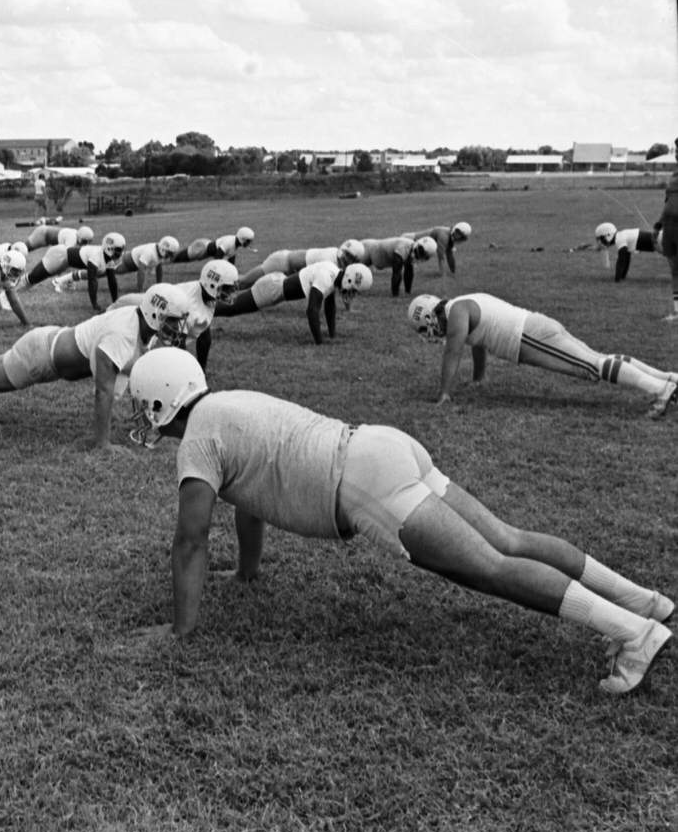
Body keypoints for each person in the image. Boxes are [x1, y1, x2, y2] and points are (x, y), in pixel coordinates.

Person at [125, 347, 674, 694]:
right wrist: (246, 573)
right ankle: (643, 600)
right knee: (508, 540)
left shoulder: (197, 441)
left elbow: (190, 542)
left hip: (364, 483)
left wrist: (182, 630)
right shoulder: (226, 403)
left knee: (491, 568)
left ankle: (636, 631)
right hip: (381, 444)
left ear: (158, 403)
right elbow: (250, 497)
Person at [0, 283, 191, 449]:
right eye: (172, 320)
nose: (177, 327)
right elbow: (103, 391)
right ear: (155, 313)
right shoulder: (123, 334)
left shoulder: (139, 322)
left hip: (49, 346)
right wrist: (103, 443)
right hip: (41, 358)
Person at [407, 292, 678, 419]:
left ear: (431, 314)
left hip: (527, 336)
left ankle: (660, 390)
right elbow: (477, 345)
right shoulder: (461, 304)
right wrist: (479, 378)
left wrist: (444, 393)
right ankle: (669, 378)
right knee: (597, 358)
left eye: (426, 326)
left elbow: (452, 352)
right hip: (534, 328)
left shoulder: (457, 313)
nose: (431, 332)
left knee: (592, 367)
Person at [112, 260, 239, 367]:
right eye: (227, 288)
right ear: (212, 283)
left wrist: (201, 370)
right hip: (128, 306)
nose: (230, 292)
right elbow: (177, 346)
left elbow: (205, 336)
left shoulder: (206, 295)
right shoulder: (189, 304)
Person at [217, 262, 374, 345]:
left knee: (233, 306)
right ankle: (206, 307)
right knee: (233, 308)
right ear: (348, 279)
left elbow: (330, 307)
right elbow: (312, 311)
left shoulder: (334, 272)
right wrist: (319, 342)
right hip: (271, 290)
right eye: (353, 289)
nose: (352, 293)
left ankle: (210, 304)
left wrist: (332, 335)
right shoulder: (327, 278)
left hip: (276, 286)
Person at [24, 232, 125, 311]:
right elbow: (92, 281)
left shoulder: (108, 258)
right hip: (59, 256)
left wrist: (115, 302)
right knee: (33, 278)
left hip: (66, 261)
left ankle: (17, 289)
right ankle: (14, 288)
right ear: (109, 247)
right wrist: (95, 305)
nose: (120, 252)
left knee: (34, 279)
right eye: (118, 249)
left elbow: (112, 281)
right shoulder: (96, 256)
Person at [238, 239, 365, 290]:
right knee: (246, 281)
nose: (346, 258)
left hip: (288, 267)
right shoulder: (329, 260)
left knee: (252, 285)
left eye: (350, 257)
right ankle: (223, 282)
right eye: (346, 254)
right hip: (281, 262)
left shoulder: (336, 262)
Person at [361, 235, 433, 297]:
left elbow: (409, 272)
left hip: (376, 253)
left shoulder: (411, 248)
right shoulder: (402, 248)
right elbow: (396, 272)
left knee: (409, 269)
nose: (417, 255)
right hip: (369, 248)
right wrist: (395, 294)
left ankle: (406, 292)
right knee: (357, 268)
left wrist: (408, 292)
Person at [105, 236, 180, 292]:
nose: (169, 256)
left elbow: (159, 266)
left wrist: (159, 285)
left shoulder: (159, 252)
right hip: (127, 262)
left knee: (106, 270)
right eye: (169, 253)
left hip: (131, 262)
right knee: (103, 271)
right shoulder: (150, 252)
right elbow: (141, 271)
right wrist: (140, 290)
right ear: (163, 249)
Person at [593, 223, 660, 283]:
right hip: (658, 242)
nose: (601, 242)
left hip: (659, 242)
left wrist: (617, 279)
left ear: (608, 235)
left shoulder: (619, 239)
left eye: (601, 239)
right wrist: (622, 276)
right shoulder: (622, 235)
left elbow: (621, 260)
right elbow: (626, 259)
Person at [403, 223, 470, 278]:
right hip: (407, 240)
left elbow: (450, 255)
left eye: (460, 235)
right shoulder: (444, 236)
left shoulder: (450, 236)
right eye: (458, 233)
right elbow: (441, 257)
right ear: (454, 230)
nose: (458, 236)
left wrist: (453, 272)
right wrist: (443, 275)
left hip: (411, 241)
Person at [167, 228, 255, 269]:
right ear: (242, 238)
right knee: (179, 258)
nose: (248, 243)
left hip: (205, 250)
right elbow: (217, 259)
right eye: (248, 241)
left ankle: (167, 260)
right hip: (201, 248)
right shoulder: (229, 242)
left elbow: (231, 263)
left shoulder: (235, 245)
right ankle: (164, 261)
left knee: (183, 259)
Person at [659, 136, 678, 321]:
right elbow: (667, 202)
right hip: (669, 228)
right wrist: (659, 223)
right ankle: (677, 312)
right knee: (674, 271)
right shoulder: (673, 176)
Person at [23, 223, 92, 253]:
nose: (85, 244)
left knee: (25, 249)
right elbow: (67, 254)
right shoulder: (72, 238)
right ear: (80, 238)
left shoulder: (76, 233)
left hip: (45, 235)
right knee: (23, 249)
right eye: (84, 242)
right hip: (43, 234)